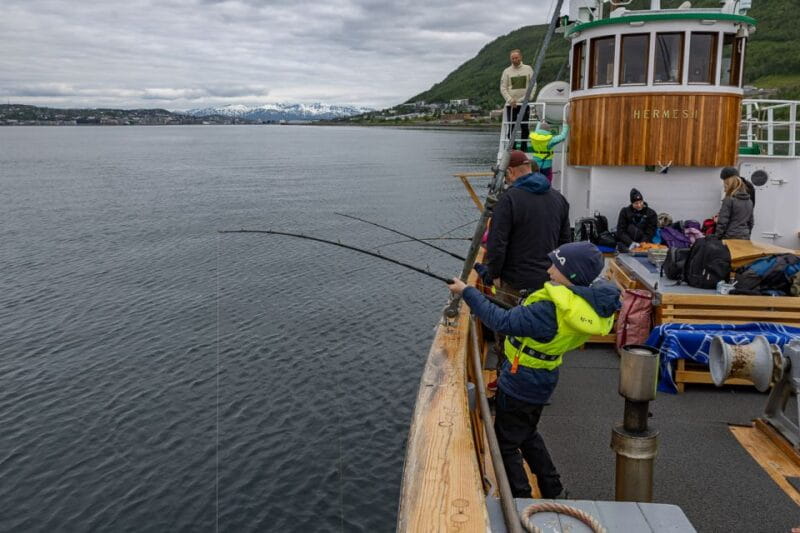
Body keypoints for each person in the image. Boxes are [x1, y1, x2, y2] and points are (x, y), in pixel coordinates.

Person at [448, 242, 621, 498]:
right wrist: (485, 274)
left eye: (556, 266)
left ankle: (520, 499)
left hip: (521, 381)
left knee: (506, 443)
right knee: (527, 433)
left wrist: (467, 292)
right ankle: (553, 489)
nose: (549, 270)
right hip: (542, 376)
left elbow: (501, 321)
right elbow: (523, 315)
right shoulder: (577, 303)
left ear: (571, 275)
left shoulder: (548, 309)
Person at [486, 150, 571, 303]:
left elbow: (497, 242)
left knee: (508, 318)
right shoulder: (559, 198)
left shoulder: (508, 200)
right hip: (548, 282)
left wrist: (494, 274)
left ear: (510, 171)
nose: (506, 180)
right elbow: (565, 243)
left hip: (514, 283)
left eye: (505, 176)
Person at [500, 49, 534, 152]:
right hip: (511, 105)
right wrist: (510, 100)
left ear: (520, 57)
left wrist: (527, 98)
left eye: (516, 58)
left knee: (524, 127)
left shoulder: (528, 69)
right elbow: (503, 88)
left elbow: (533, 84)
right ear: (510, 59)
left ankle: (523, 148)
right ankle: (513, 148)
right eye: (512, 58)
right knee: (511, 127)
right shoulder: (506, 71)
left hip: (524, 104)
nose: (514, 60)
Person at [715, 174, 754, 240]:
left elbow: (723, 221)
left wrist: (717, 236)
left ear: (730, 186)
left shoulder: (729, 200)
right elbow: (751, 222)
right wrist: (747, 233)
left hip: (730, 236)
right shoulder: (749, 201)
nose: (724, 190)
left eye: (725, 187)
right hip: (745, 236)